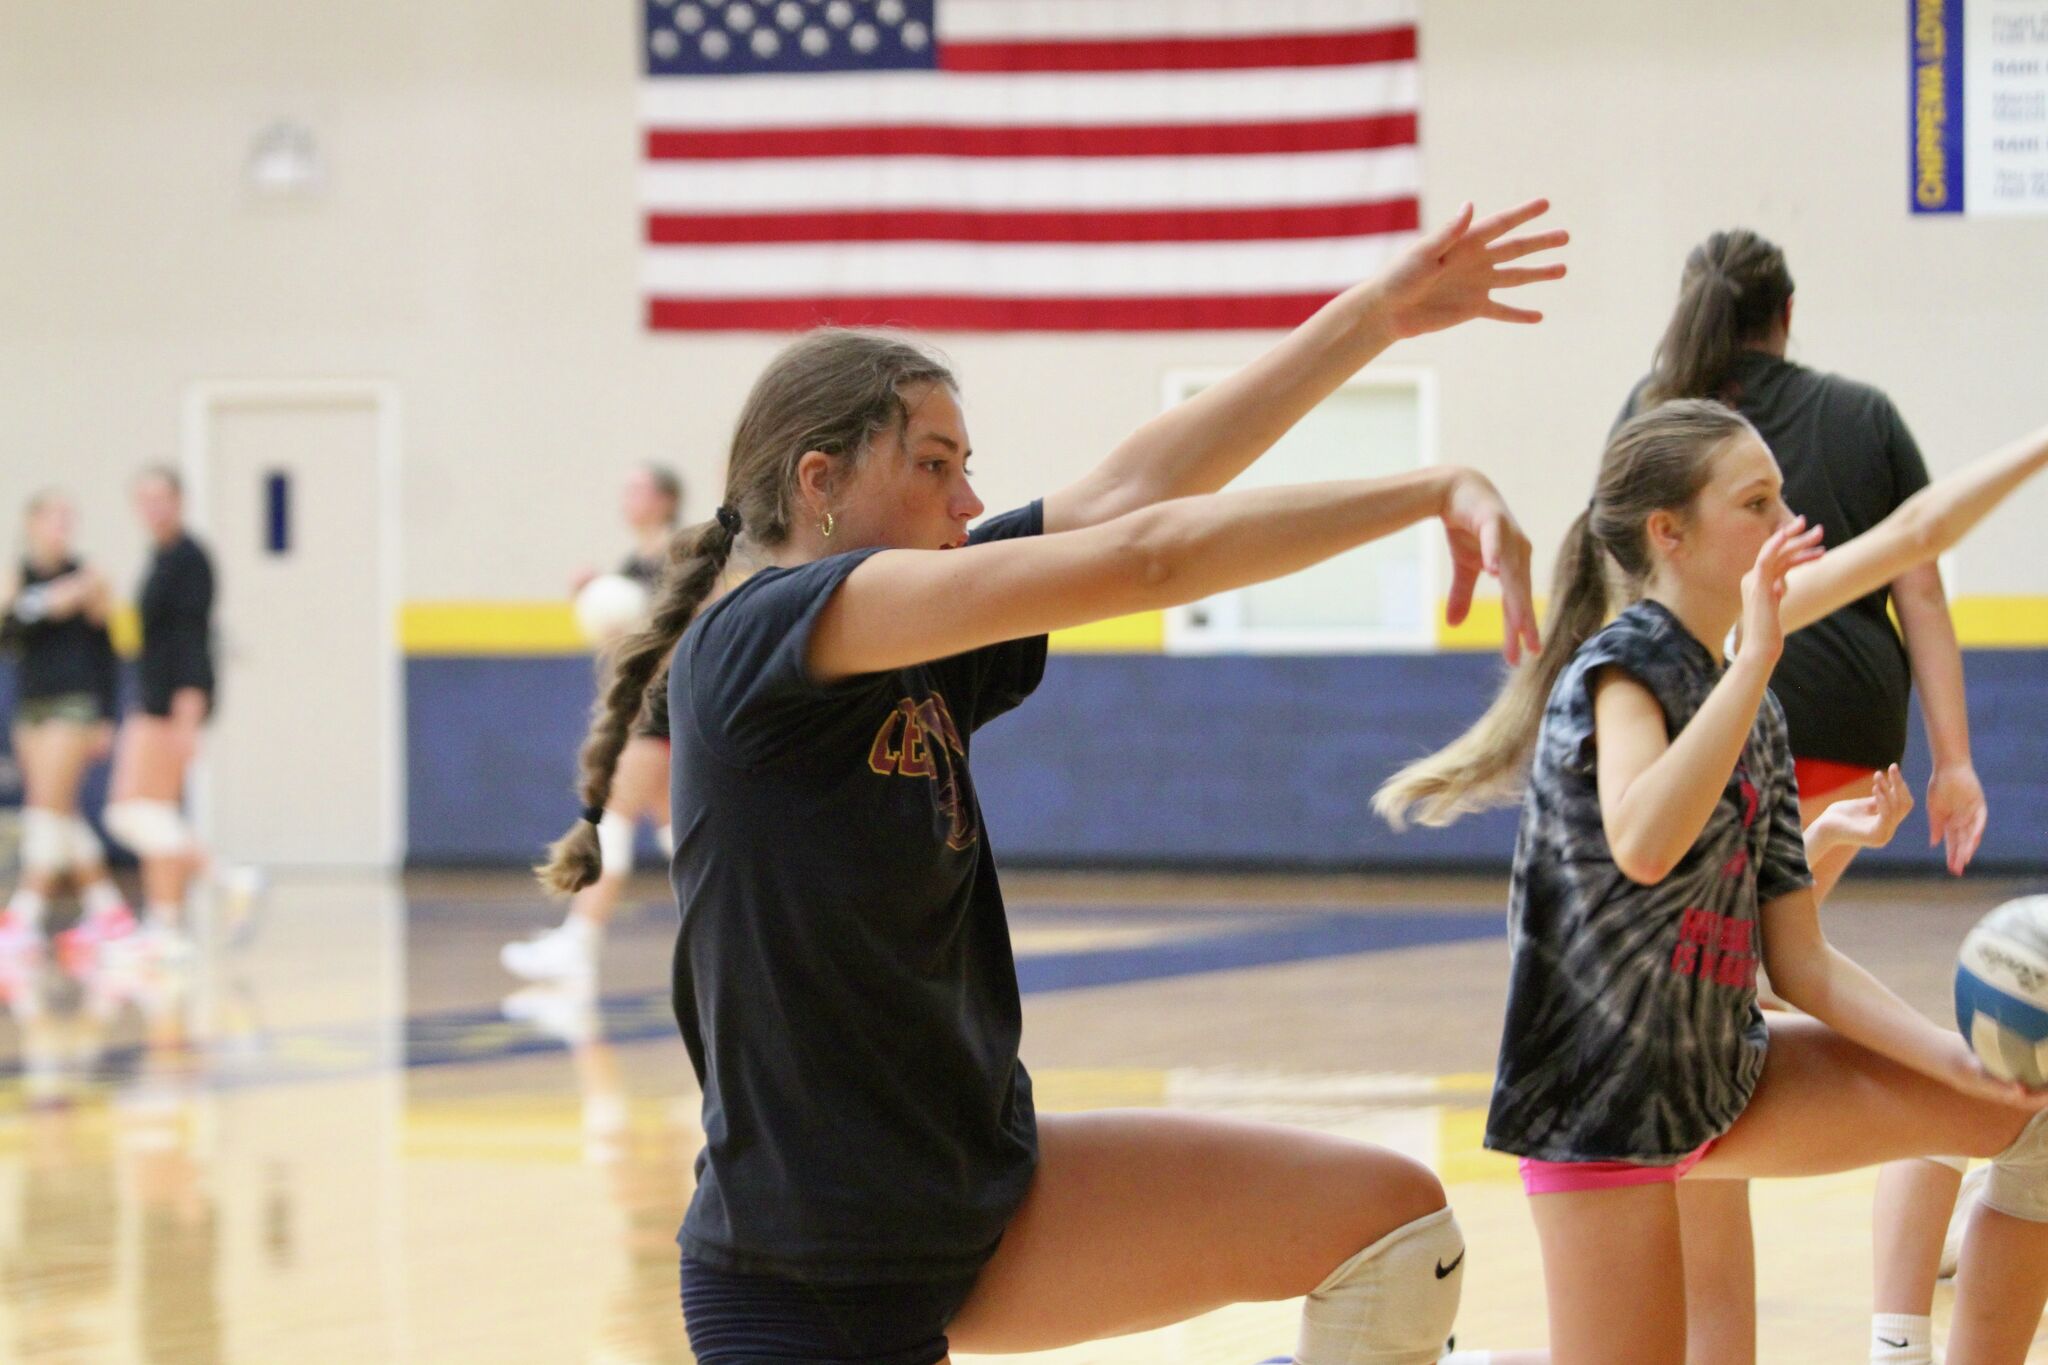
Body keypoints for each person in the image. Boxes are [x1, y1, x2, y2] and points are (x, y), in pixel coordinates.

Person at [538, 199, 1569, 1365]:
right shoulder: (761, 634)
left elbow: (1130, 496)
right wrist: (1426, 491)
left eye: (967, 469)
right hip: (808, 1274)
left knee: (1391, 1225)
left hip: (974, 1191)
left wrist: (1375, 317)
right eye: (934, 467)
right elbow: (1147, 556)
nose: (969, 504)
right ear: (818, 481)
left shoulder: (921, 631)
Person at [1375, 399, 2048, 1364]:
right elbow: (1645, 840)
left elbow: (1801, 960)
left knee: (2027, 1117)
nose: (1791, 528)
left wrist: (1947, 1059)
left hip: (1725, 1075)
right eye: (1759, 504)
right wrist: (1760, 654)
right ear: (1670, 533)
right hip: (1599, 1104)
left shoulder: (1755, 709)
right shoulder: (1621, 670)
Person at [1622, 229, 1990, 1365]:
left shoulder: (1653, 423)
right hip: (1823, 732)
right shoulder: (1851, 415)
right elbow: (1917, 577)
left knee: (1738, 982)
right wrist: (1953, 757)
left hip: (1747, 748)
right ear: (1784, 316)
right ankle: (1900, 1293)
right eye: (1761, 507)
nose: (1783, 529)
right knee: (1726, 1007)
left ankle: (1886, 1302)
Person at [503, 463, 686, 984]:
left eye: (638, 487)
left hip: (663, 709)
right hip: (639, 709)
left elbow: (680, 628)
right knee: (684, 837)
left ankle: (578, 942)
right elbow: (617, 639)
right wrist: (590, 597)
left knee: (613, 821)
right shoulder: (632, 564)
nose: (627, 496)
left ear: (666, 499)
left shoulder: (679, 555)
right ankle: (737, 936)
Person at [1, 490, 133, 951]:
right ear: (32, 523)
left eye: (67, 518)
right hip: (31, 703)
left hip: (75, 702)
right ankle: (109, 911)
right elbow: (11, 631)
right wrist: (38, 602)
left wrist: (108, 717)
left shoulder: (90, 576)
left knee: (43, 807)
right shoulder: (16, 576)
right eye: (53, 517)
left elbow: (107, 651)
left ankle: (23, 914)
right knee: (61, 812)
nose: (61, 526)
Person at [94, 467, 215, 955]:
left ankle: (226, 878)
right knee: (157, 816)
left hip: (169, 702)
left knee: (129, 813)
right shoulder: (161, 558)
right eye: (144, 499)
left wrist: (188, 714)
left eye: (162, 497)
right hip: (155, 694)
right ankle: (166, 927)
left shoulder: (189, 560)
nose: (153, 508)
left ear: (180, 500)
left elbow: (190, 641)